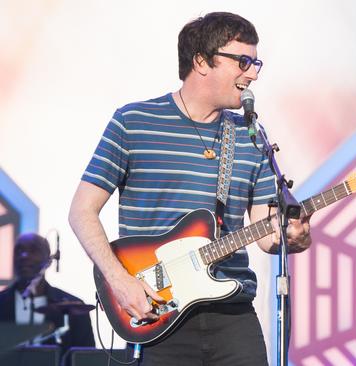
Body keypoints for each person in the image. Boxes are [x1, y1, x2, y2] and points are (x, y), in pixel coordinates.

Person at [67, 12, 311, 366]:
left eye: (256, 62)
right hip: (157, 311)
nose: (254, 73)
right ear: (201, 61)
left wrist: (294, 235)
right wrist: (119, 281)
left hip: (233, 314)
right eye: (243, 61)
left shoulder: (250, 135)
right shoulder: (133, 123)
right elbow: (81, 211)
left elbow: (267, 233)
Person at [0, 233, 95, 352]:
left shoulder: (73, 307)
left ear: (49, 260)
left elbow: (87, 357)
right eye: (19, 250)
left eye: (34, 250)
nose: (23, 255)